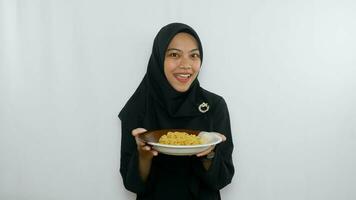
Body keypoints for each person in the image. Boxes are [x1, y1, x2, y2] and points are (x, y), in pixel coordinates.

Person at [118, 22, 235, 200]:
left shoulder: (214, 105)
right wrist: (143, 156)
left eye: (194, 55)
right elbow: (132, 184)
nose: (186, 65)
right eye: (174, 54)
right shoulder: (138, 107)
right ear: (158, 58)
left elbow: (223, 179)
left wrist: (209, 154)